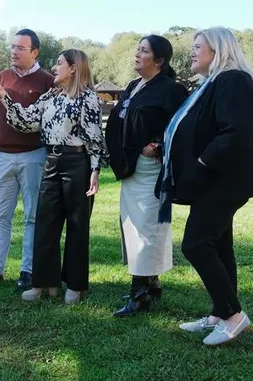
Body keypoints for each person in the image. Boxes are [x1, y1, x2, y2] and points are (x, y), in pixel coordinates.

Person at [157, 27, 253, 345]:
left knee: (196, 244)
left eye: (198, 46)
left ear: (218, 50)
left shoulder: (233, 80)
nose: (192, 52)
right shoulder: (213, 83)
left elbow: (235, 132)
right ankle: (221, 312)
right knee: (219, 247)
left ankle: (234, 316)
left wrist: (202, 163)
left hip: (224, 180)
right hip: (215, 180)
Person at [0, 49, 108, 304]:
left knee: (77, 225)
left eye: (59, 63)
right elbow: (27, 120)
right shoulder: (52, 95)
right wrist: (4, 96)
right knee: (45, 222)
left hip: (77, 163)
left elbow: (95, 137)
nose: (54, 67)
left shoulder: (87, 97)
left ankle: (75, 285)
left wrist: (95, 170)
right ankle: (44, 283)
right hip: (51, 161)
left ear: (73, 68)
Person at [105, 35, 188, 317]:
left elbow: (183, 127)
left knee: (147, 228)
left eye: (144, 50)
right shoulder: (134, 86)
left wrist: (158, 146)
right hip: (130, 167)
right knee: (134, 226)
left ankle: (139, 294)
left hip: (150, 170)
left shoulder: (171, 90)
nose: (137, 54)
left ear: (159, 60)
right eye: (137, 49)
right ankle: (151, 284)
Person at [0, 29, 55, 291]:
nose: (14, 52)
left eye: (20, 48)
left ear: (34, 52)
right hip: (3, 156)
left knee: (32, 216)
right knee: (1, 215)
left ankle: (28, 271)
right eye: (13, 47)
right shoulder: (2, 77)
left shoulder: (47, 81)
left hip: (33, 156)